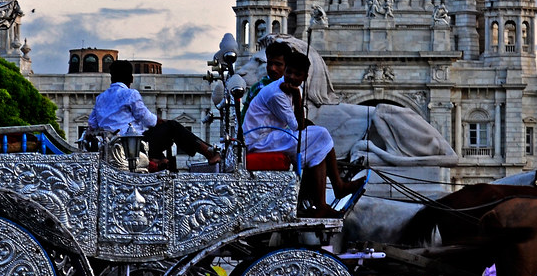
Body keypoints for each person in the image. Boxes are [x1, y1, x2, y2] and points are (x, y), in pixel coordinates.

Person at [243, 51, 361, 217]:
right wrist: (298, 96)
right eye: (289, 72)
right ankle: (336, 188)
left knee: (318, 140)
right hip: (260, 140)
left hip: (271, 135)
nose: (291, 77)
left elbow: (299, 122)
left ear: (305, 76)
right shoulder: (278, 94)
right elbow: (297, 126)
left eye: (297, 74)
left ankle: (326, 199)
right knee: (321, 135)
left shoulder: (286, 89)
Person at [88, 61, 220, 170]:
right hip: (133, 146)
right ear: (131, 78)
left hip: (111, 148)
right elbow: (148, 119)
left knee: (158, 144)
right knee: (172, 126)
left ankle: (156, 160)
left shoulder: (101, 98)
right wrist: (161, 121)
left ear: (112, 78)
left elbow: (92, 124)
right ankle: (208, 152)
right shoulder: (130, 94)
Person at [240, 40, 291, 122]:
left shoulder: (294, 88)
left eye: (278, 64)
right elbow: (245, 118)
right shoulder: (258, 88)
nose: (272, 68)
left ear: (287, 66)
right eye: (270, 63)